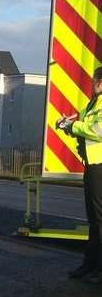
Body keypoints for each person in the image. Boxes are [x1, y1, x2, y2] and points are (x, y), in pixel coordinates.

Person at [59, 66, 102, 283]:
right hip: (92, 165)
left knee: (99, 218)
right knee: (93, 219)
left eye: (95, 80)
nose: (93, 83)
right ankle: (90, 264)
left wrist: (74, 125)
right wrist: (68, 124)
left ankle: (98, 267)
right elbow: (83, 124)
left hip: (100, 166)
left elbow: (97, 131)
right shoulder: (93, 103)